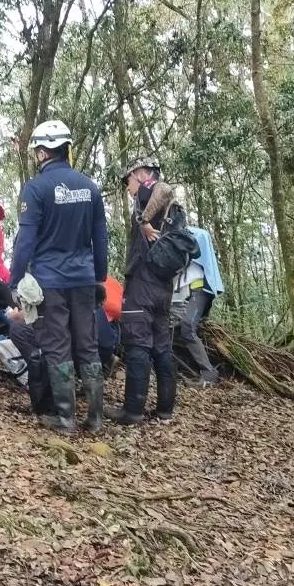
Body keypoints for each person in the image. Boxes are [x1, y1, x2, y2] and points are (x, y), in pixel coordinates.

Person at [9, 119, 108, 435]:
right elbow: (100, 238)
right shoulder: (89, 187)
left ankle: (66, 419)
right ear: (66, 148)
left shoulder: (36, 188)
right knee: (88, 346)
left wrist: (14, 279)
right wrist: (100, 276)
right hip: (84, 279)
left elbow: (25, 240)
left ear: (41, 152)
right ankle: (95, 419)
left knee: (58, 346)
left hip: (50, 281)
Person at [106, 157, 178, 425]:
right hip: (164, 286)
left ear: (141, 174)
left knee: (138, 343)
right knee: (161, 345)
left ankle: (133, 411)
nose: (128, 188)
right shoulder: (173, 210)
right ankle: (165, 409)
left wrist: (144, 219)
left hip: (143, 284)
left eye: (128, 181)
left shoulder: (150, 193)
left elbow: (163, 188)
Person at [172, 226, 224, 387]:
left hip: (199, 291)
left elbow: (201, 236)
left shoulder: (196, 246)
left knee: (187, 326)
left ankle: (209, 374)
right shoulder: (178, 257)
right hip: (184, 295)